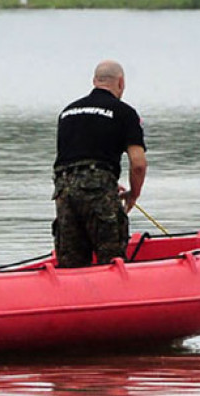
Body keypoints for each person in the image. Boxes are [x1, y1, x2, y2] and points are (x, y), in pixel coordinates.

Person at [52, 60, 148, 268]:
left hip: (64, 191)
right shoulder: (124, 113)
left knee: (71, 264)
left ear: (95, 81)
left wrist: (104, 181)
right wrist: (133, 194)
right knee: (112, 260)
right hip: (98, 190)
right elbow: (138, 164)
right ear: (121, 83)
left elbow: (74, 157)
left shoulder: (67, 113)